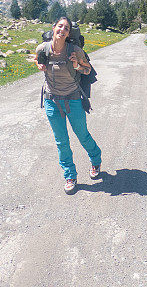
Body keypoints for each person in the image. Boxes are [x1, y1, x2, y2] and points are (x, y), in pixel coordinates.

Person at [35, 17, 102, 193]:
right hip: (51, 100)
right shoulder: (43, 48)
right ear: (54, 28)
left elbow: (88, 70)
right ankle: (70, 175)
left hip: (73, 99)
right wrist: (39, 64)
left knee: (82, 136)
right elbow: (38, 60)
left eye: (66, 28)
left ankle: (96, 159)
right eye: (60, 26)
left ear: (68, 33)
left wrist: (77, 65)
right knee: (61, 142)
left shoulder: (75, 50)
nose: (62, 30)